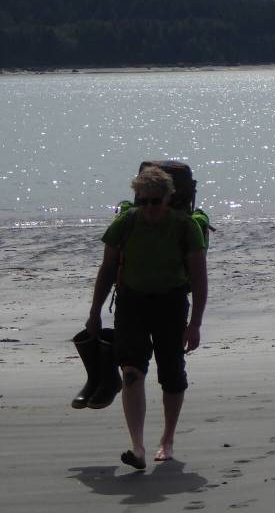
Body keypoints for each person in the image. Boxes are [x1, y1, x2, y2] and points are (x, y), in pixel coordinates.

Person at [85, 166, 207, 469]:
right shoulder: (125, 224)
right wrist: (94, 312)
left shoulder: (184, 227)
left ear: (167, 198)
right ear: (137, 198)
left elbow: (200, 279)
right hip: (131, 302)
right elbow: (107, 270)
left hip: (172, 303)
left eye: (155, 201)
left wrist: (195, 325)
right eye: (144, 201)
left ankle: (167, 440)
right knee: (131, 371)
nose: (150, 207)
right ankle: (138, 447)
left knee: (172, 375)